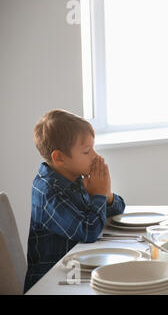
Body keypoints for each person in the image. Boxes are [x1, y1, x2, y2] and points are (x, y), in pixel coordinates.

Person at [24, 109, 126, 293]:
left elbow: (117, 209)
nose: (95, 156)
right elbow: (88, 231)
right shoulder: (48, 192)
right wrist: (98, 195)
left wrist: (107, 195)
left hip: (77, 269)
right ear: (59, 158)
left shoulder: (74, 176)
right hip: (52, 283)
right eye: (87, 151)